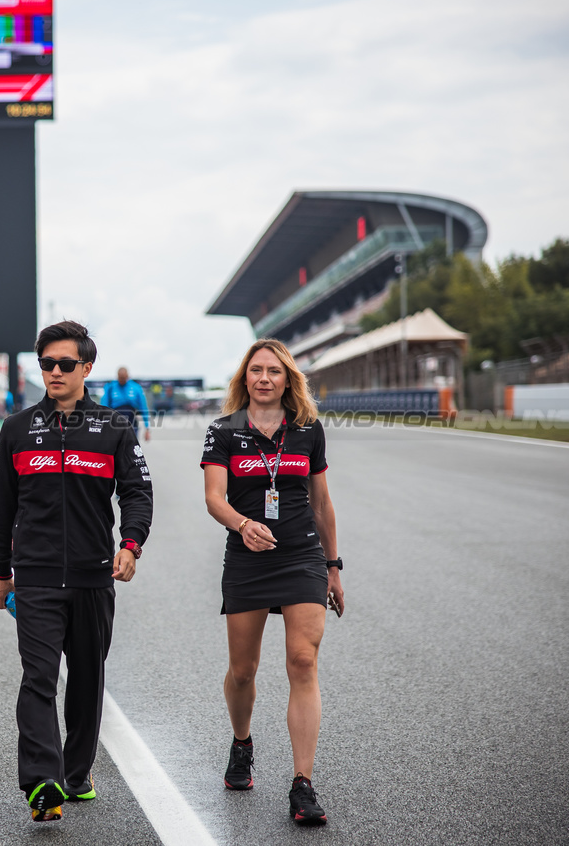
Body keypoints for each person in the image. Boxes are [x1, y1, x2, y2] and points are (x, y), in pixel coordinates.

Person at [0, 321, 154, 823]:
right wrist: (2, 570)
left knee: (86, 680)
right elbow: (3, 504)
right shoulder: (16, 430)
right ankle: (43, 782)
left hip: (92, 575)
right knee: (37, 678)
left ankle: (77, 773)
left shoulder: (114, 428)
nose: (54, 372)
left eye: (65, 364)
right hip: (35, 577)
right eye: (46, 364)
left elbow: (138, 493)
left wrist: (131, 544)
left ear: (86, 367)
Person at [200, 338, 344, 826]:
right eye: (256, 370)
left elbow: (322, 504)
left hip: (301, 553)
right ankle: (242, 743)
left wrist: (333, 565)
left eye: (274, 371)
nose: (264, 378)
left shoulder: (308, 430)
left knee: (303, 660)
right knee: (243, 671)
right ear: (245, 379)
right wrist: (242, 524)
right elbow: (214, 498)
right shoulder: (223, 432)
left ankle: (302, 784)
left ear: (288, 379)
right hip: (246, 556)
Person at [101, 367, 151, 441]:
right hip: (115, 422)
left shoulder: (136, 388)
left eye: (124, 378)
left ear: (127, 376)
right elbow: (104, 407)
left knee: (131, 447)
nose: (122, 380)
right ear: (117, 376)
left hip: (131, 422)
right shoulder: (110, 387)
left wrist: (147, 428)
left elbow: (143, 407)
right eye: (120, 378)